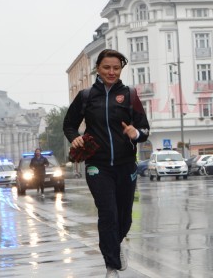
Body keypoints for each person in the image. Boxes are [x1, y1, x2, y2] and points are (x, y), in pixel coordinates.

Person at [63, 49, 150, 278]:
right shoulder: (86, 96)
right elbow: (69, 125)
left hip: (125, 165)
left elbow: (145, 129)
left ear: (121, 69)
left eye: (116, 68)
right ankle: (111, 266)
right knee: (108, 213)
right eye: (106, 68)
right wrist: (75, 138)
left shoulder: (130, 95)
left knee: (124, 217)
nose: (111, 72)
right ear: (98, 69)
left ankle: (116, 246)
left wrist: (136, 133)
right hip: (97, 165)